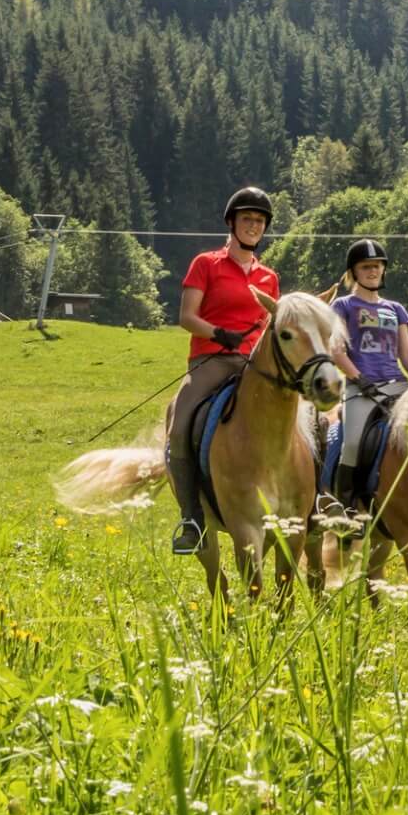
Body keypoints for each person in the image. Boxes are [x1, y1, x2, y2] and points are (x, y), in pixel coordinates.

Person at [163, 186, 279, 556]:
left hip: (254, 366)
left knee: (308, 424)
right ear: (232, 222)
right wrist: (218, 333)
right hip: (211, 360)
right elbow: (186, 317)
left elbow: (270, 326)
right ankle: (191, 518)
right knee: (180, 426)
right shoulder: (206, 264)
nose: (253, 226)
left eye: (259, 221)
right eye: (247, 218)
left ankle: (307, 503)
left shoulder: (268, 277)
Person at [327, 237, 408, 516]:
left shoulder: (396, 310)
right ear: (353, 271)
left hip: (397, 385)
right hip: (361, 388)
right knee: (353, 442)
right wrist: (359, 378)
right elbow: (336, 350)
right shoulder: (343, 306)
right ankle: (346, 506)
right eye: (366, 266)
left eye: (378, 266)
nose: (373, 271)